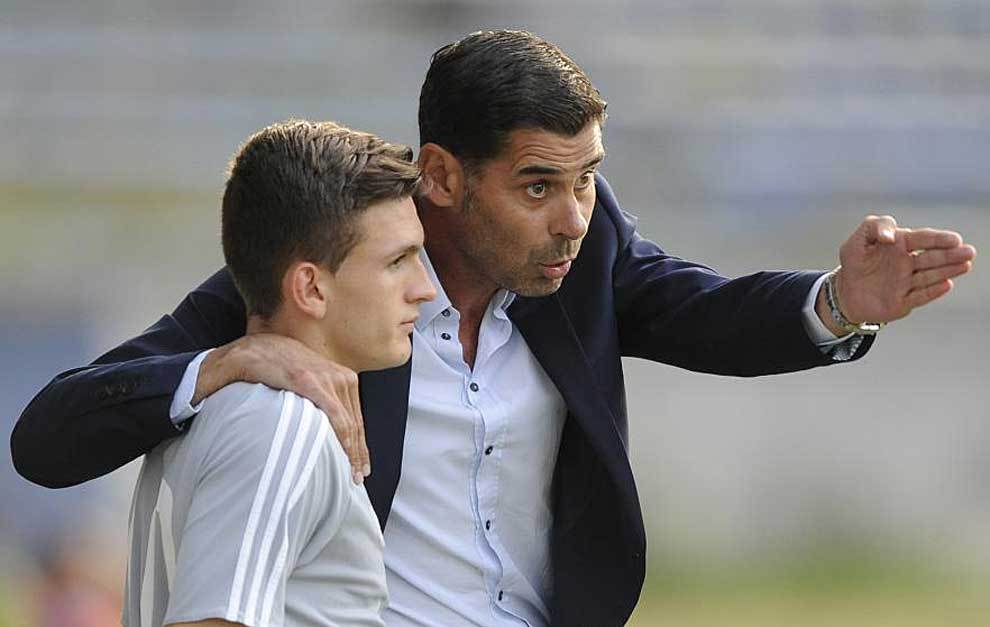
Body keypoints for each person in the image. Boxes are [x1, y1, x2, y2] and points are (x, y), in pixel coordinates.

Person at [12, 30, 976, 626]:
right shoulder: (331, 273)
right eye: (538, 185)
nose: (574, 216)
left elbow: (704, 312)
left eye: (588, 178)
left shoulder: (584, 248)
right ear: (440, 176)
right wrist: (229, 359)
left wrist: (840, 300)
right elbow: (50, 433)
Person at [121, 119, 435, 627]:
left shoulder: (209, 411)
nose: (424, 288)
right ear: (310, 288)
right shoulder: (281, 425)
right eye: (398, 261)